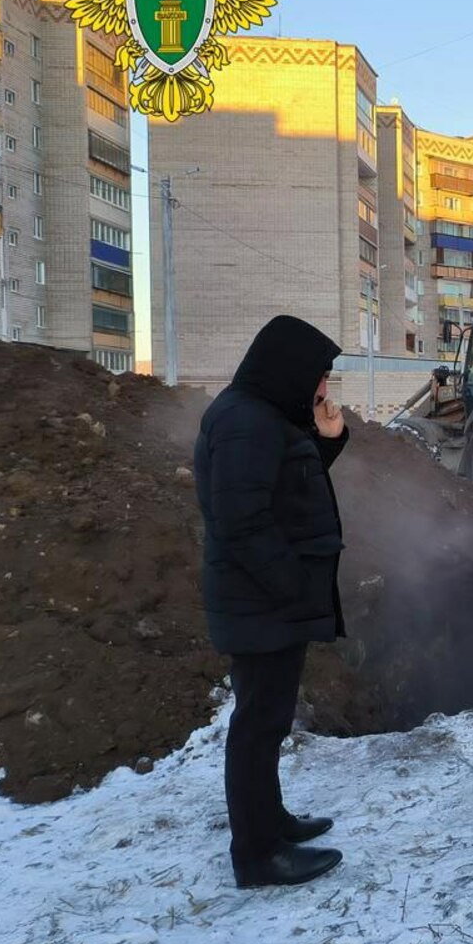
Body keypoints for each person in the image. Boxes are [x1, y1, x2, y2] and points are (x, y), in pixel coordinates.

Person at [194, 315, 350, 888]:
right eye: (319, 375)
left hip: (265, 599)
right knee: (257, 727)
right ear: (289, 367)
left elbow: (290, 486)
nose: (323, 387)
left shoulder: (262, 416)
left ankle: (271, 821)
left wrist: (327, 439)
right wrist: (291, 586)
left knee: (269, 721)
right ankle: (258, 855)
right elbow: (241, 521)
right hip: (260, 600)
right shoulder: (246, 422)